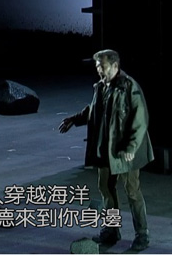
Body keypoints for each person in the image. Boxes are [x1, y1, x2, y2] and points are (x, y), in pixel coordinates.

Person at [59, 49, 154, 251]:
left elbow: (140, 119)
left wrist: (131, 146)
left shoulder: (129, 87)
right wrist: (75, 119)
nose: (99, 71)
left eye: (102, 67)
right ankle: (111, 229)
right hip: (106, 150)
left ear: (115, 66)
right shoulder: (101, 87)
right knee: (105, 188)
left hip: (125, 151)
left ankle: (142, 234)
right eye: (97, 67)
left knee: (132, 191)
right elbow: (94, 109)